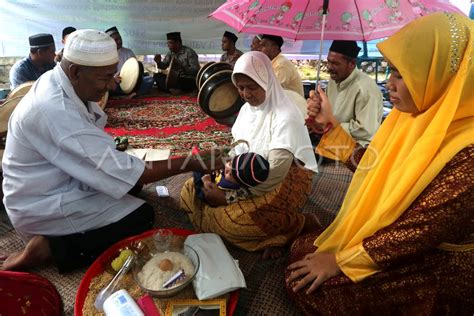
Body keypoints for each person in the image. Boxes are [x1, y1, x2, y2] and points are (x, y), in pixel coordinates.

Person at [285, 12, 473, 314]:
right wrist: (329, 127)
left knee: (312, 288)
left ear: (439, 75)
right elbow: (376, 167)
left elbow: (419, 231)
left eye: (401, 74)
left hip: (436, 261)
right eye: (391, 71)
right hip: (395, 230)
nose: (389, 84)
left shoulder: (468, 152)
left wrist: (342, 261)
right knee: (303, 249)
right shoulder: (412, 118)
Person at [0, 29, 221, 273]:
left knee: (129, 185)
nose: (111, 85)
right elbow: (133, 173)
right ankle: (51, 248)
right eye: (105, 78)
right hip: (43, 203)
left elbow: (105, 158)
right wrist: (190, 162)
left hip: (55, 180)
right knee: (142, 216)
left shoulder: (59, 79)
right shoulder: (55, 110)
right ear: (75, 72)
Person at [180, 51, 319, 259]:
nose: (245, 94)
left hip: (285, 179)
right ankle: (256, 231)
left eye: (252, 87)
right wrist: (216, 174)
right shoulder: (246, 111)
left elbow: (274, 175)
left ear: (267, 81)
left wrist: (227, 197)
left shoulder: (285, 116)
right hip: (247, 172)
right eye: (240, 87)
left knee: (234, 222)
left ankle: (299, 225)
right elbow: (237, 150)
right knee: (189, 190)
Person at [324, 40, 383, 146]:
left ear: (351, 64)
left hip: (359, 149)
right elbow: (327, 112)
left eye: (335, 63)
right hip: (333, 140)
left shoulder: (365, 89)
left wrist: (331, 126)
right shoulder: (333, 80)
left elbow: (365, 129)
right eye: (328, 61)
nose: (329, 67)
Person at [194, 152, 270, 204]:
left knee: (197, 172)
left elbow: (212, 197)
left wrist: (206, 181)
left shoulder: (235, 194)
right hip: (216, 179)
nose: (227, 169)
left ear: (240, 183)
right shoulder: (231, 172)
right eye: (230, 163)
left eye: (230, 174)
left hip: (210, 192)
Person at [105, 26, 154, 96]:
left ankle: (134, 94)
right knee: (106, 87)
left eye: (120, 38)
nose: (119, 41)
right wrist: (113, 79)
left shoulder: (128, 52)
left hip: (131, 83)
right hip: (116, 84)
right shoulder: (105, 56)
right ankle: (132, 94)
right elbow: (103, 76)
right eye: (116, 39)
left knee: (149, 79)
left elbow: (136, 69)